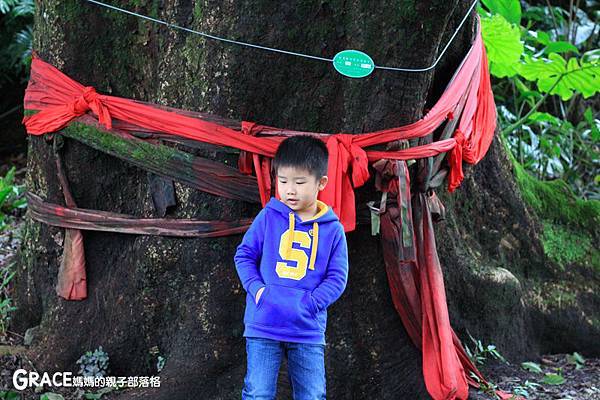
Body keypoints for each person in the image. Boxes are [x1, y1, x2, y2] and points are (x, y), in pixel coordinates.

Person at [234, 134, 349, 400]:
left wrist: (310, 303)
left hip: (306, 329)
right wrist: (258, 291)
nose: (289, 190)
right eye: (282, 181)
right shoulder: (269, 216)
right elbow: (244, 255)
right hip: (263, 325)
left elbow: (337, 278)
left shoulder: (333, 230)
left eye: (299, 182)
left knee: (312, 394)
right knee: (258, 392)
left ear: (321, 183)